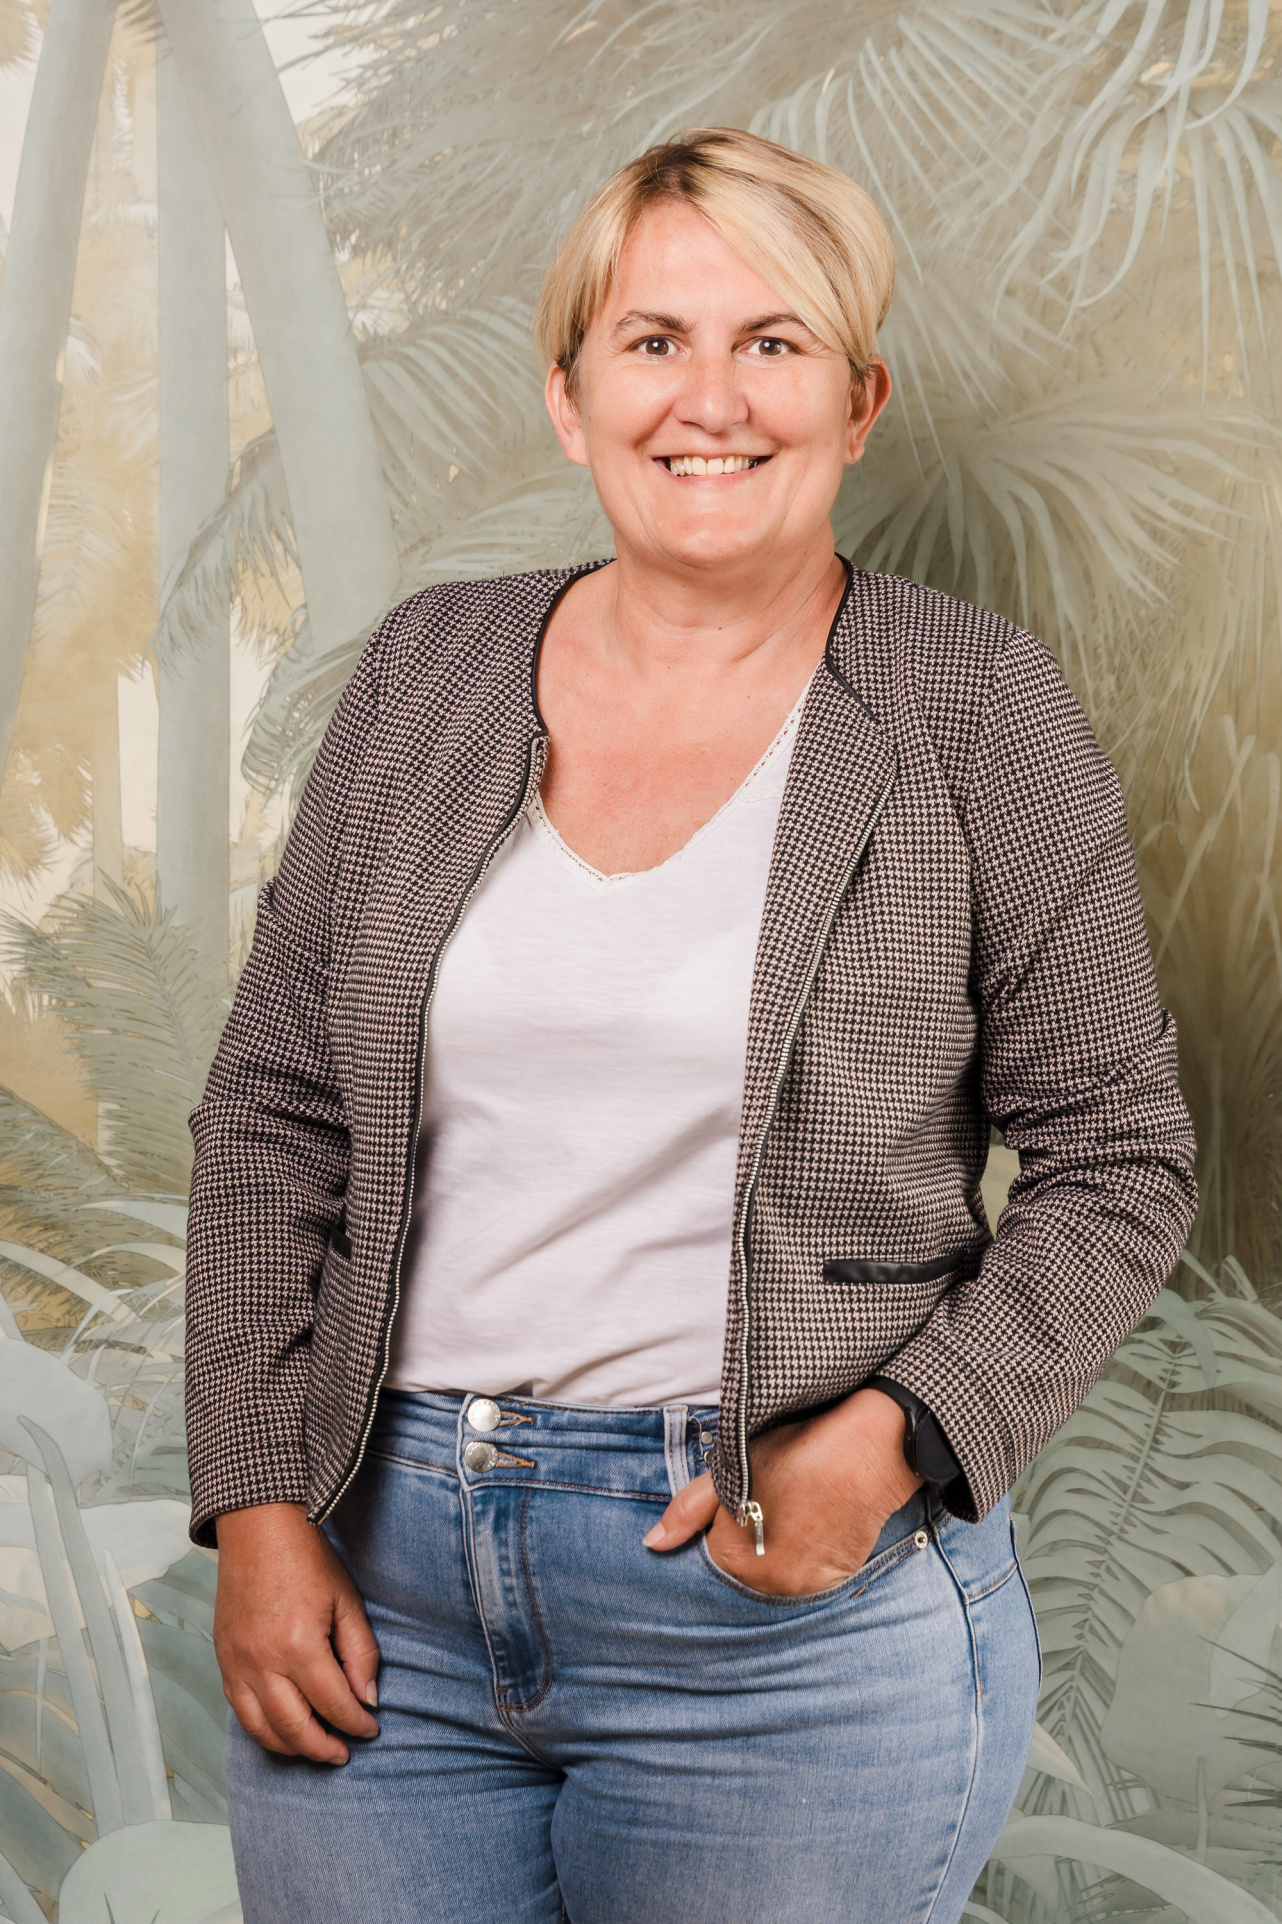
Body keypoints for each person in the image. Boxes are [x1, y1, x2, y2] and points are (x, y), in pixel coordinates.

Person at [184, 128, 1198, 1924]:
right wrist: (261, 1503)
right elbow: (274, 1108)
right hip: (377, 1600)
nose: (708, 399)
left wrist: (892, 1440)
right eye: (651, 341)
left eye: (772, 342)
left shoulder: (972, 706)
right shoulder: (427, 671)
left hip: (778, 1634)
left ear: (858, 401)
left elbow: (1118, 1160)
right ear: (568, 398)